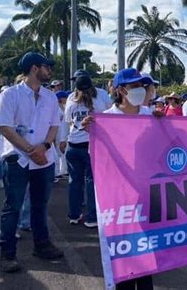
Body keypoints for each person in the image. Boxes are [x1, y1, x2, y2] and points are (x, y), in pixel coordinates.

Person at [82, 68, 154, 289]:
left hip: (145, 194)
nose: (141, 90)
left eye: (142, 86)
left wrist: (163, 124)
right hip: (119, 199)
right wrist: (93, 130)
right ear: (122, 90)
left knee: (145, 253)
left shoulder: (150, 116)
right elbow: (99, 161)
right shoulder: (106, 119)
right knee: (123, 253)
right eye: (135, 87)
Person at [0, 51, 63, 273]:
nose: (49, 70)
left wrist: (44, 147)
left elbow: (54, 125)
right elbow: (5, 127)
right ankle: (8, 253)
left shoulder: (50, 96)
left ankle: (42, 245)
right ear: (35, 68)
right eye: (46, 66)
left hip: (44, 159)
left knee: (40, 206)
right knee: (12, 207)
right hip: (17, 159)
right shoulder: (10, 95)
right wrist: (30, 150)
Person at [64, 74, 108, 228]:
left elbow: (68, 121)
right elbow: (108, 118)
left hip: (73, 144)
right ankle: (91, 217)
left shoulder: (71, 101)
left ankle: (74, 215)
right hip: (92, 145)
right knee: (91, 182)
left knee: (74, 182)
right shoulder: (100, 100)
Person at [54, 91, 69, 183]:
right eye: (64, 97)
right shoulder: (56, 109)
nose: (66, 99)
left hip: (63, 132)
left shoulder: (63, 108)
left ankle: (62, 171)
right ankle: (58, 172)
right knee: (58, 153)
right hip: (57, 133)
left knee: (62, 153)